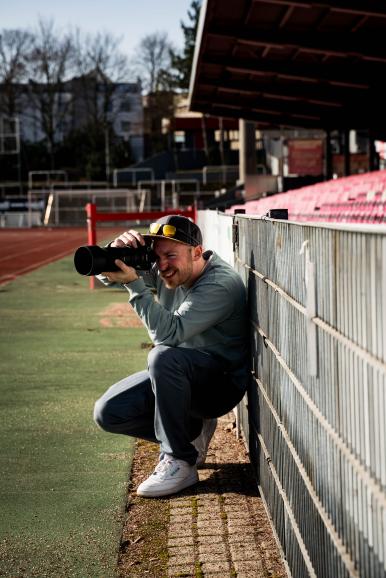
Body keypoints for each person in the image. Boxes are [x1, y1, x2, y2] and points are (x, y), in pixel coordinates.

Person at [93, 215, 249, 498]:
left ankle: (179, 461)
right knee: (108, 412)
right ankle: (188, 433)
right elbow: (109, 278)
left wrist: (135, 287)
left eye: (170, 255)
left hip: (219, 386)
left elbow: (169, 335)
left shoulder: (219, 284)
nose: (161, 265)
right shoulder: (168, 270)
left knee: (162, 356)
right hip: (182, 375)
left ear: (197, 252)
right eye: (156, 255)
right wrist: (114, 251)